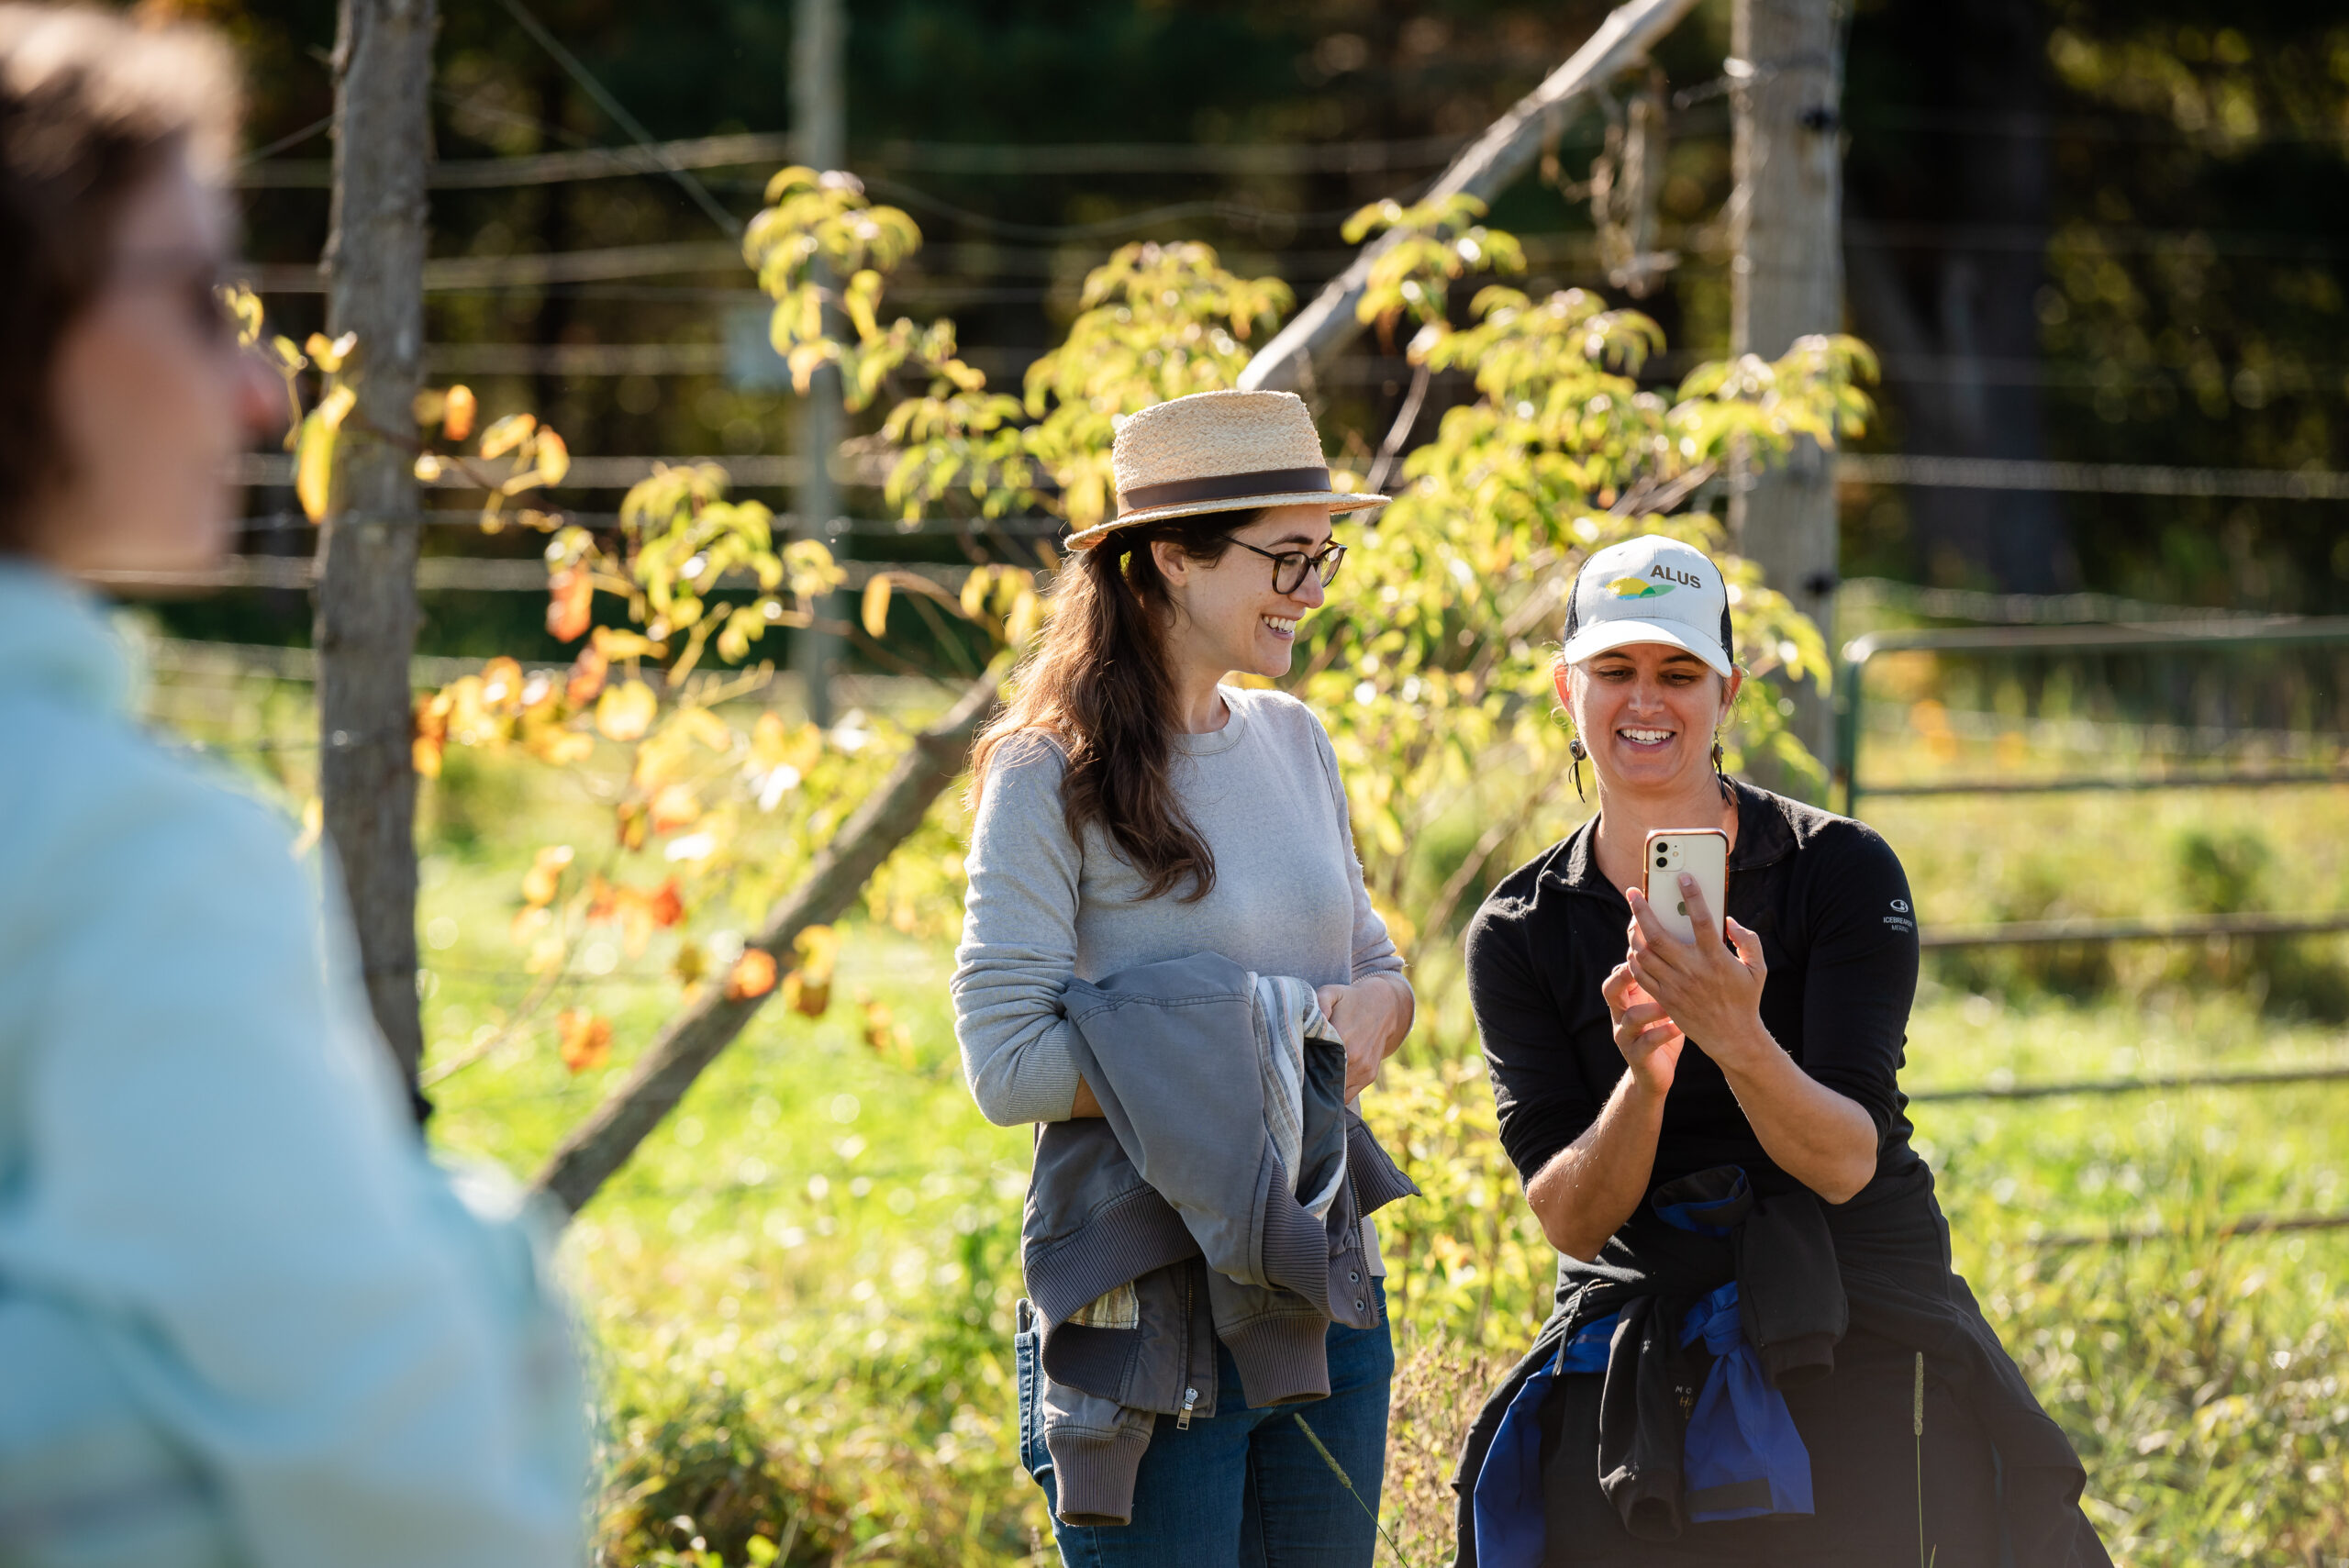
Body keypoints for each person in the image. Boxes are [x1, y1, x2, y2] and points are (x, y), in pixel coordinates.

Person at [0, 7, 584, 1565]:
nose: (263, 389)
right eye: (198, 298)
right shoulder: (120, 855)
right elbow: (411, 1485)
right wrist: (480, 1266)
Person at [1454, 533, 2110, 1566]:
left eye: (1679, 672)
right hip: (1645, 1320)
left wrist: (1735, 1033)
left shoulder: (1836, 868)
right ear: (1562, 687)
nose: (1645, 701)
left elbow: (1846, 1159)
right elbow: (1570, 1215)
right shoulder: (1520, 927)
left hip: (1854, 1303)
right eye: (1614, 670)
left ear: (1729, 693)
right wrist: (1648, 1073)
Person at [952, 388, 1417, 1564]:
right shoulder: (1045, 775)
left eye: (1324, 554)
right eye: (1285, 556)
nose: (1314, 588)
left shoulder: (1294, 738)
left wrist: (1367, 1011)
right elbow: (1005, 1065)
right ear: (1170, 557)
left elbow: (1373, 969)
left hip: (1321, 1284)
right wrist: (1266, 1039)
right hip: (1149, 1307)